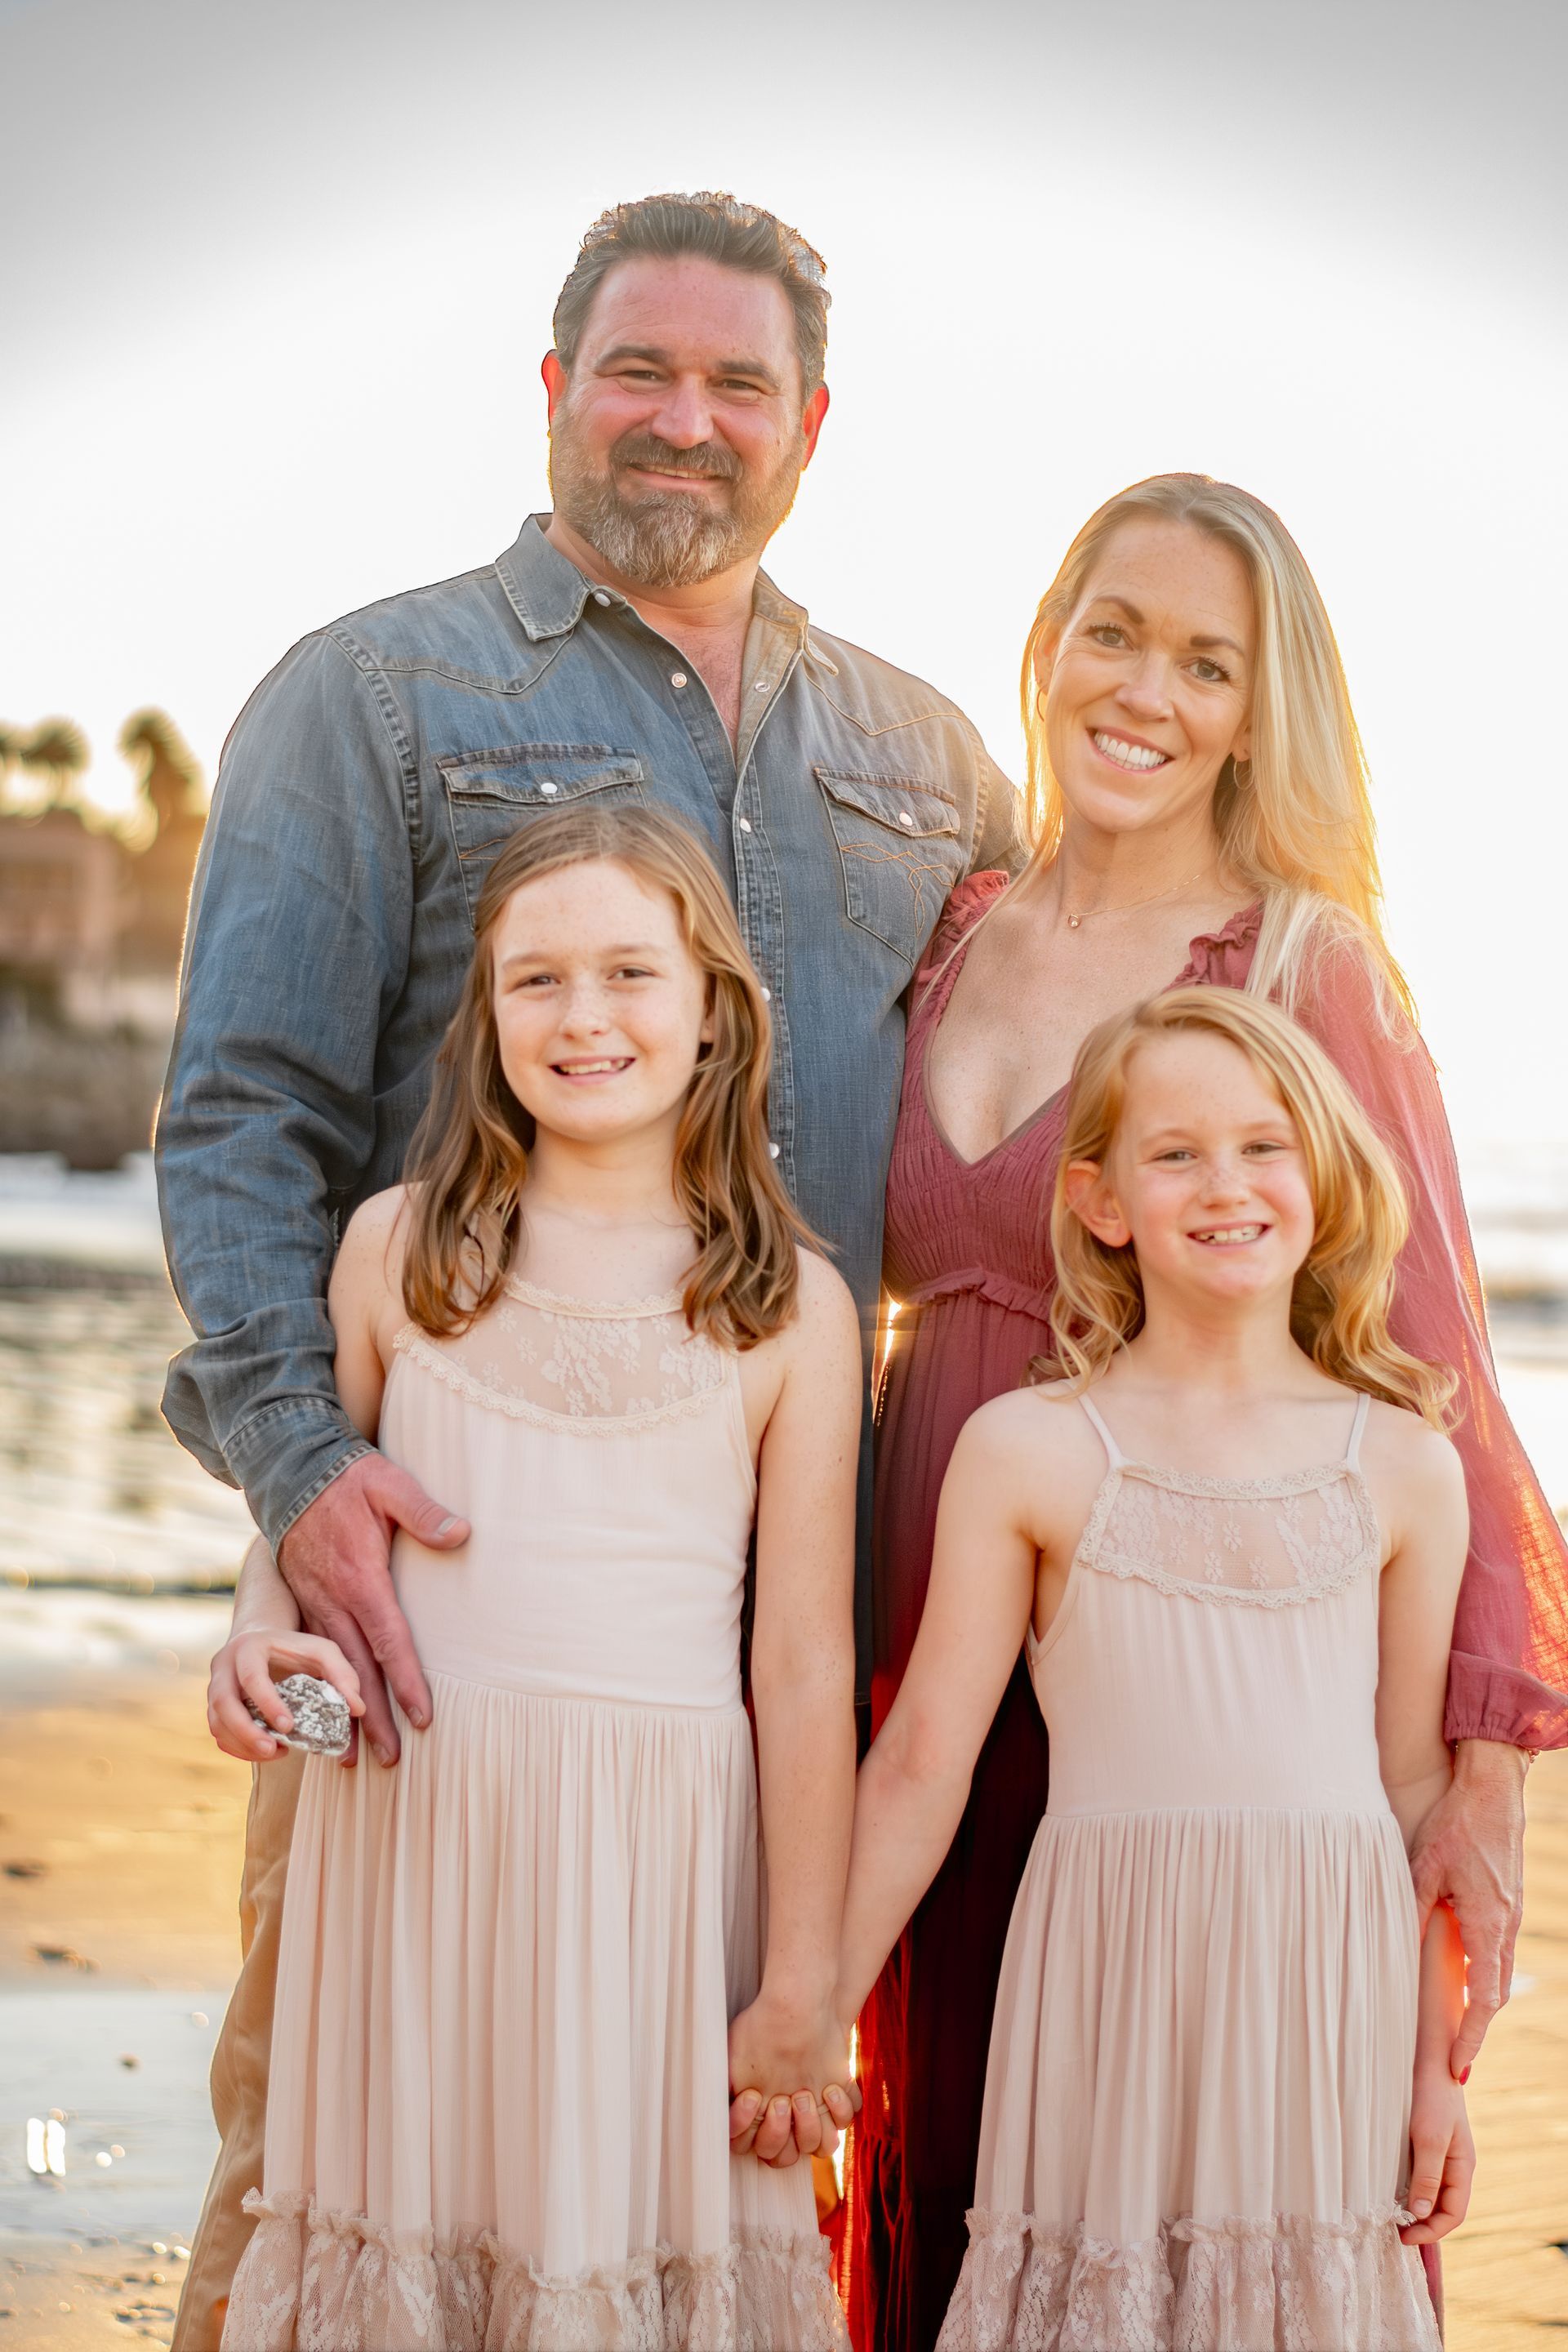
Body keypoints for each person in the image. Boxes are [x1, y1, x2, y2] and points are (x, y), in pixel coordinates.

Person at [158, 192, 1019, 2345]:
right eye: (639, 369)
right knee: (345, 2177)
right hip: (445, 1615)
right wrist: (302, 1484)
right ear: (555, 391)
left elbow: (1042, 1106)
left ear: (811, 428)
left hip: (779, 1651)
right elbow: (239, 1124)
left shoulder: (927, 755)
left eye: (738, 383)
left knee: (682, 2207)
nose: (684, 420)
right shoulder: (374, 691)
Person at [844, 473, 1568, 2350]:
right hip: (922, 1626)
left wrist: (1477, 1767)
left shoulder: (1304, 962)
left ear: (1265, 709)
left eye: (1207, 663)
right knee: (964, 2146)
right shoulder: (954, 926)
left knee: (1211, 2190)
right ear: (1048, 640)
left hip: (1170, 1654)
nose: (1146, 692)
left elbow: (1435, 1373)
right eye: (1114, 632)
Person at [202, 806, 859, 2350]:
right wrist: (253, 1634)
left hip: (660, 1865)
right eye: (536, 980)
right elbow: (308, 1528)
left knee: (619, 2252)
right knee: (420, 2240)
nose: (583, 1017)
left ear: (715, 1008)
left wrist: (805, 1981)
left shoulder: (792, 1311)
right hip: (417, 1841)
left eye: (631, 972)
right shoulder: (399, 1251)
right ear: (484, 1015)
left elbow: (806, 1664)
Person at [838, 987, 1471, 2350]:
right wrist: (812, 2009)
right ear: (1101, 1200)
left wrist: (1435, 2070)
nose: (1226, 1184)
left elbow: (1417, 1792)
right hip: (1112, 1975)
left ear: (1322, 1177)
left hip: (1327, 1992)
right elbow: (923, 1762)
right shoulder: (1032, 1449)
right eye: (1175, 1153)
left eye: (1264, 1146)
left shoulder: (1407, 1466)